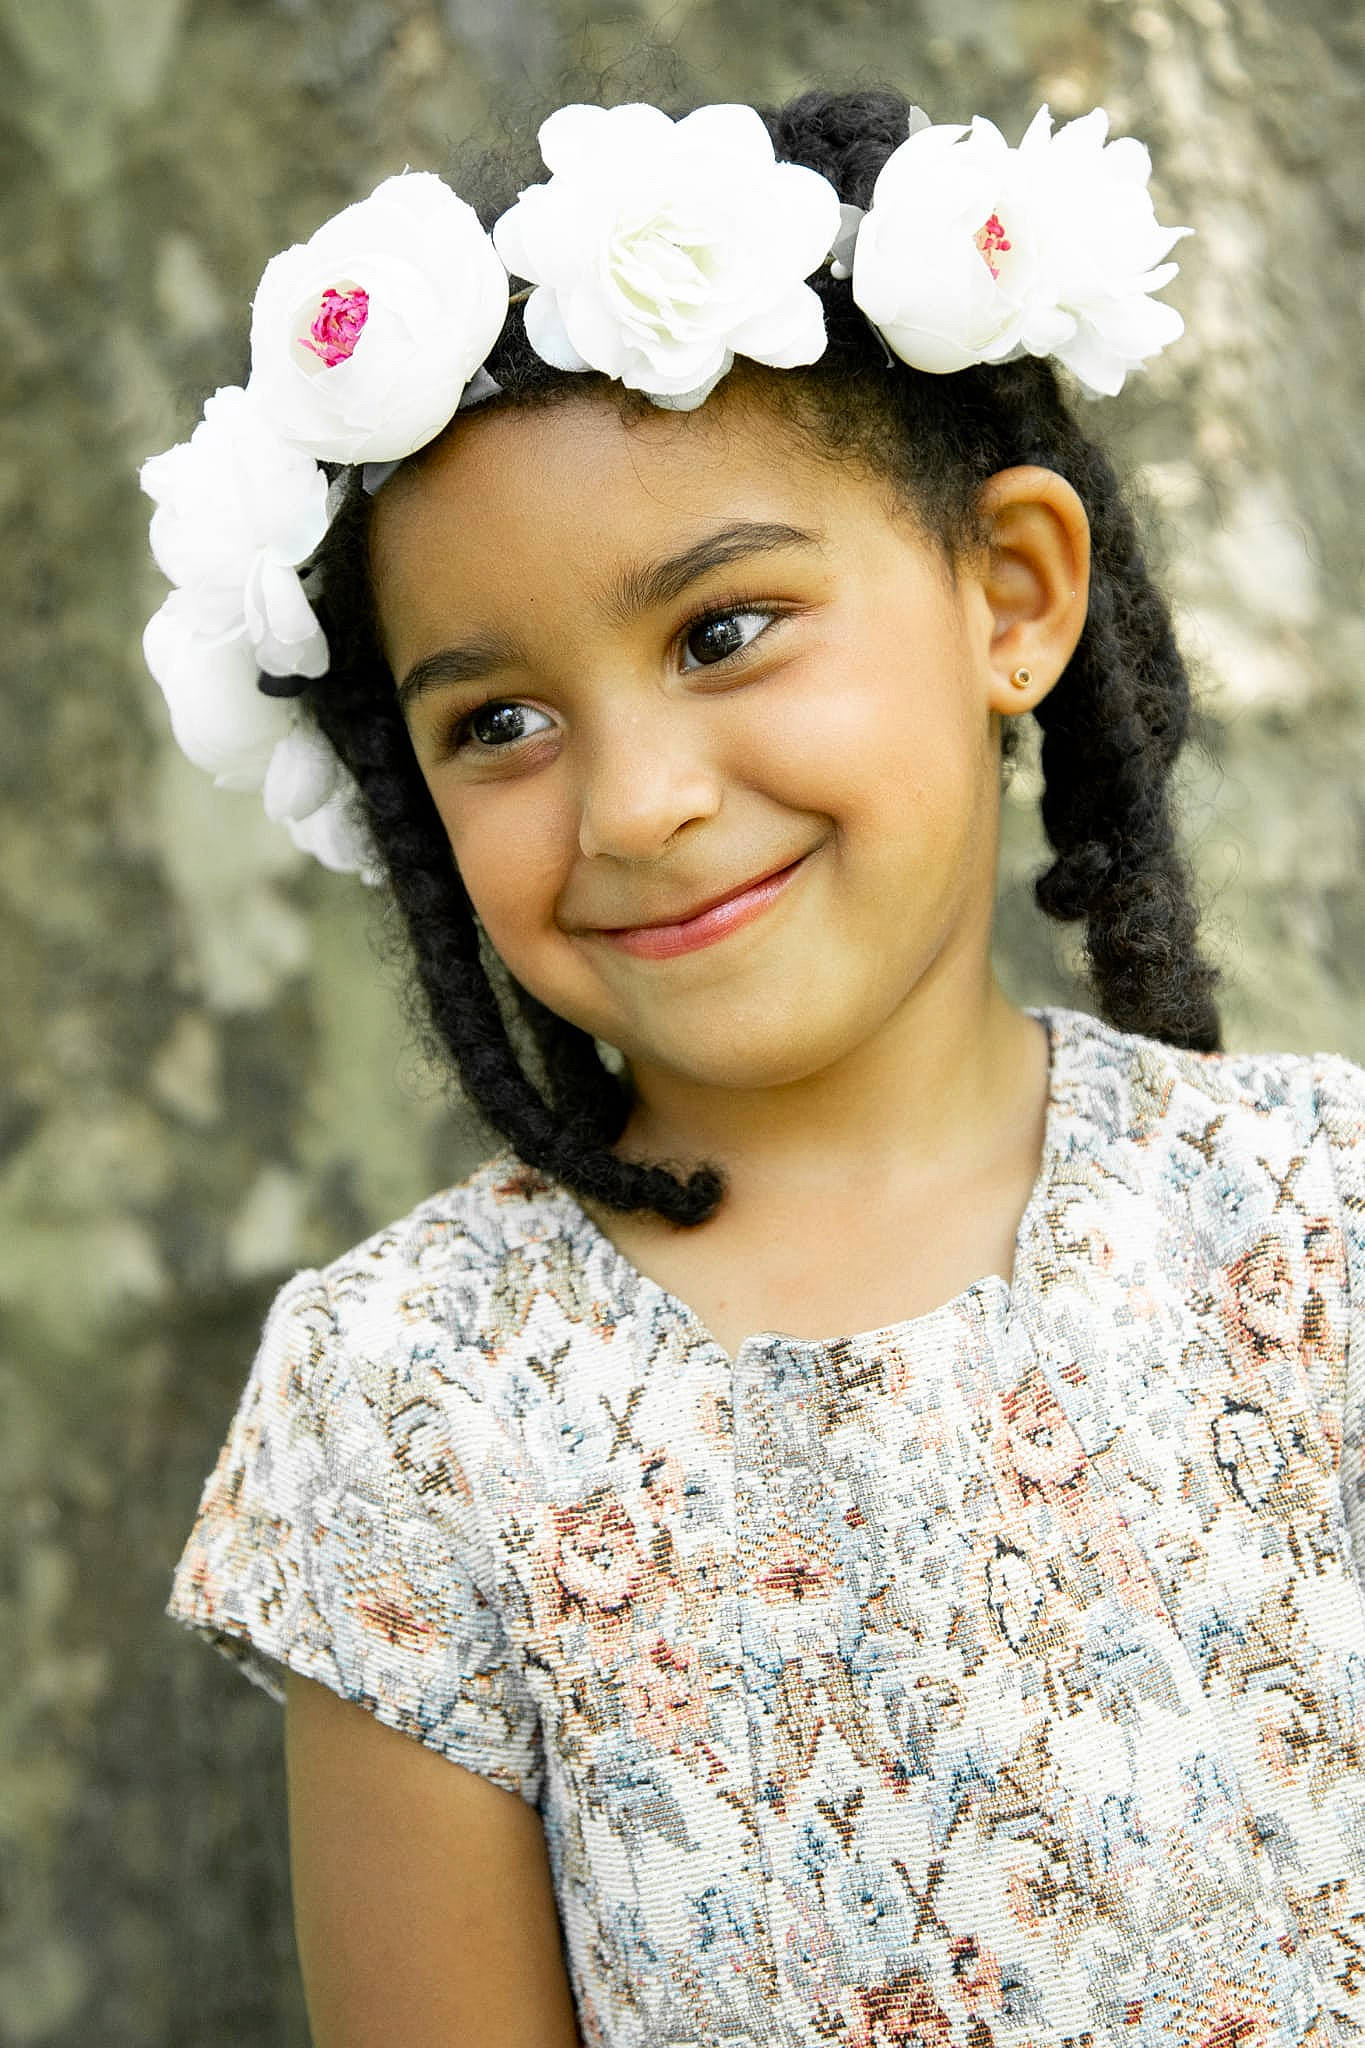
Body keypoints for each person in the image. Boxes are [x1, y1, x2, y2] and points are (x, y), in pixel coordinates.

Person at [146, 83, 1365, 2048]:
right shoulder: (411, 1400)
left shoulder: (1318, 1234)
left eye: (721, 628)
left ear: (1013, 595)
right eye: (498, 721)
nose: (632, 801)